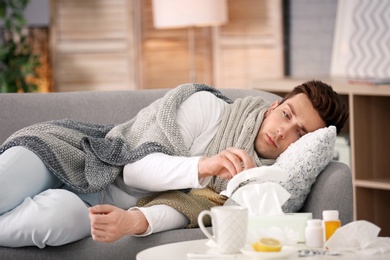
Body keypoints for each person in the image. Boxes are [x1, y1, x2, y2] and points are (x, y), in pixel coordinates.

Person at [0, 80, 348, 248]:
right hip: (74, 152)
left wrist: (135, 221)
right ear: (274, 107)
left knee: (57, 218)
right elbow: (132, 167)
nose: (283, 131)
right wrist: (205, 165)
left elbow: (189, 207)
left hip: (96, 202)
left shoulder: (253, 184)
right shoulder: (206, 108)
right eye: (286, 115)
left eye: (300, 134)